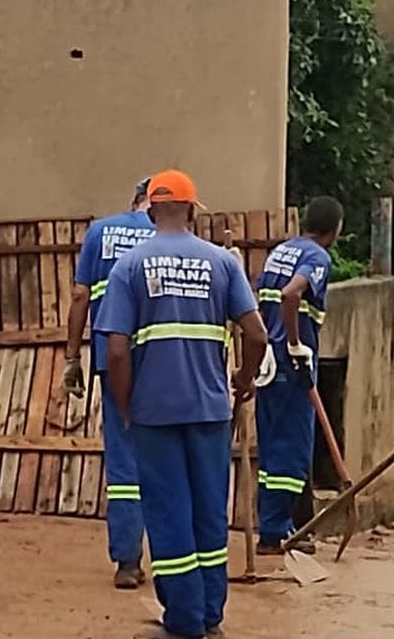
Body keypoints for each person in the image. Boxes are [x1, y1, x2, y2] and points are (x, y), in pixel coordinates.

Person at [95, 170, 267, 639]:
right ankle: (210, 617)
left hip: (155, 414)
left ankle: (184, 621)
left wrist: (126, 406)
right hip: (210, 411)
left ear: (150, 210)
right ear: (192, 210)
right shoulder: (222, 263)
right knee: (209, 514)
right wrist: (244, 380)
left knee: (169, 515)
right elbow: (256, 334)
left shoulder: (129, 266)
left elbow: (115, 351)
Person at [62, 178, 156, 589]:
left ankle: (128, 562)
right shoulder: (168, 236)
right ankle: (172, 559)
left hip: (110, 357)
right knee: (164, 456)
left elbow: (80, 296)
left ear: (133, 200)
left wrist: (71, 357)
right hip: (159, 361)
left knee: (123, 458)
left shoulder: (99, 232)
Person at [252, 196, 344, 556]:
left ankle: (271, 528)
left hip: (269, 362)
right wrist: (293, 344)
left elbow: (263, 300)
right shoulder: (317, 257)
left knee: (272, 446)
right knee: (292, 449)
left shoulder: (280, 251)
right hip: (293, 364)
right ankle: (277, 531)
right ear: (335, 229)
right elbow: (291, 294)